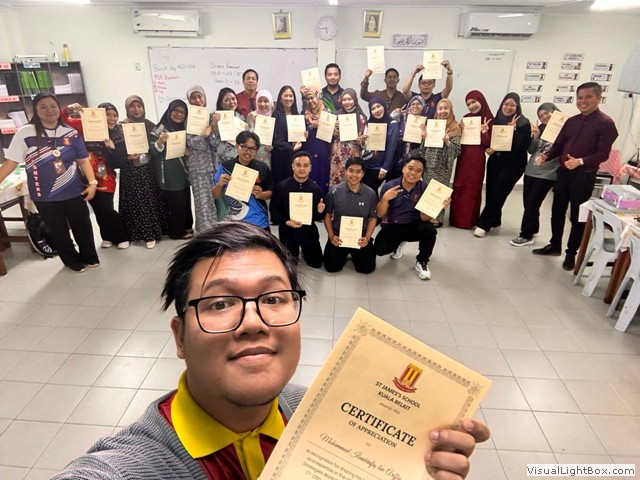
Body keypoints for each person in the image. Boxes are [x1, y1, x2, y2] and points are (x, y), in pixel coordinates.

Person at [52, 221, 490, 480]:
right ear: (180, 337)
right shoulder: (129, 466)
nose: (254, 321)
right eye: (220, 303)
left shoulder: (319, 414)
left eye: (275, 298)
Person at [0, 93, 99, 272]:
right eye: (43, 107)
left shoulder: (70, 132)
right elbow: (11, 163)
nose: (49, 110)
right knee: (58, 229)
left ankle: (90, 256)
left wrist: (92, 183)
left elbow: (83, 160)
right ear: (35, 110)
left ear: (59, 108)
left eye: (53, 106)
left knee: (82, 225)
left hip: (74, 190)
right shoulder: (25, 133)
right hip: (44, 194)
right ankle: (71, 260)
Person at [532, 82, 618, 270]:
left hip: (583, 176)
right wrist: (546, 156)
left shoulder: (606, 123)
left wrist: (580, 161)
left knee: (578, 215)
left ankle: (571, 253)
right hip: (564, 173)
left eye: (588, 97)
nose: (583, 101)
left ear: (599, 98)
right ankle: (555, 245)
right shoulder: (571, 121)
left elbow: (603, 154)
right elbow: (559, 146)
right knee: (557, 210)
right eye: (580, 97)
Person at [62, 102, 130, 249]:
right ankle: (107, 236)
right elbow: (63, 121)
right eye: (107, 115)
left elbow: (121, 160)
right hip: (86, 175)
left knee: (106, 207)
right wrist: (67, 110)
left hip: (106, 176)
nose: (112, 118)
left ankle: (122, 236)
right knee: (97, 208)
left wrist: (112, 147)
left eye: (115, 115)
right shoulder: (85, 126)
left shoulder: (118, 134)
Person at [376, 154, 450, 280]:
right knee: (380, 249)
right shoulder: (389, 186)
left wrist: (437, 207)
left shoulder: (425, 188)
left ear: (422, 173)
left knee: (429, 230)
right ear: (403, 168)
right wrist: (385, 199)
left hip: (414, 225)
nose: (413, 173)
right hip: (393, 225)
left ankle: (422, 261)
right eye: (410, 168)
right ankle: (398, 244)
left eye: (418, 171)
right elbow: (379, 214)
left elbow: (424, 218)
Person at [474, 93, 531, 238]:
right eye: (506, 104)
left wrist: (515, 131)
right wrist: (489, 148)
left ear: (517, 107)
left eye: (512, 105)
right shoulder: (495, 121)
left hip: (514, 164)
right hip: (496, 162)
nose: (508, 107)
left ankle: (483, 224)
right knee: (491, 192)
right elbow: (491, 143)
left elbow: (524, 146)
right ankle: (495, 220)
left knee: (499, 192)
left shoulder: (523, 123)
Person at [511, 103, 562, 247]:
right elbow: (531, 150)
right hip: (531, 171)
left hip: (547, 173)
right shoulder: (540, 129)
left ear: (555, 112)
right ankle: (533, 228)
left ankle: (525, 235)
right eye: (541, 116)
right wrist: (536, 136)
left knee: (533, 203)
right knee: (529, 203)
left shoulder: (564, 131)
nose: (544, 117)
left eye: (546, 113)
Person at [119, 94, 166, 249]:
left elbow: (159, 142)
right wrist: (127, 156)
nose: (136, 109)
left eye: (139, 106)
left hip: (147, 168)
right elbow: (117, 150)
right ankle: (136, 233)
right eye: (132, 106)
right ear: (127, 109)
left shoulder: (150, 125)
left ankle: (151, 233)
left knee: (150, 199)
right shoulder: (121, 126)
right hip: (131, 169)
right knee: (135, 201)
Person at [270, 151, 325, 268]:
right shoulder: (281, 187)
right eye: (298, 165)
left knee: (316, 263)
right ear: (292, 166)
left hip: (308, 231)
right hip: (288, 231)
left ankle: (306, 251)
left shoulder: (315, 189)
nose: (302, 169)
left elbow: (318, 217)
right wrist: (286, 222)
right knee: (290, 265)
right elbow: (274, 212)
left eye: (305, 165)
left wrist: (320, 211)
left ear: (310, 168)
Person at [323, 157, 377, 274]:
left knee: (367, 269)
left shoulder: (371, 194)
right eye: (351, 171)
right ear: (345, 171)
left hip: (360, 238)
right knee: (331, 267)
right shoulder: (334, 192)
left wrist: (367, 238)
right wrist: (331, 236)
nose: (354, 175)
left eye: (358, 172)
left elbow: (373, 218)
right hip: (339, 237)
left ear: (363, 174)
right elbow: (327, 215)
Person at [150, 99, 194, 240]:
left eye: (182, 112)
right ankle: (176, 232)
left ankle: (187, 226)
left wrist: (188, 150)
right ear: (169, 111)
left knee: (185, 200)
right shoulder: (160, 128)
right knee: (176, 202)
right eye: (176, 111)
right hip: (168, 171)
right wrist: (160, 142)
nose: (179, 114)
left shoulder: (185, 128)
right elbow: (152, 152)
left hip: (183, 171)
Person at [450, 90, 493, 229]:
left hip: (477, 159)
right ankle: (456, 219)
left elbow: (488, 145)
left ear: (481, 100)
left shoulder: (489, 119)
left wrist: (485, 133)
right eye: (468, 104)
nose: (471, 106)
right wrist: (459, 130)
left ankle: (469, 221)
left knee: (472, 188)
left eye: (474, 102)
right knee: (459, 185)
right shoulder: (466, 118)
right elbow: (459, 139)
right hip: (463, 157)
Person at [212, 130, 273, 229]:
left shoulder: (262, 167)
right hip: (233, 222)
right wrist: (219, 185)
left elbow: (271, 192)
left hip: (258, 221)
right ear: (237, 146)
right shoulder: (225, 167)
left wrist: (261, 194)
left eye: (252, 149)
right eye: (244, 147)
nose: (248, 152)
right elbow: (214, 195)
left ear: (257, 150)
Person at [420, 98, 461, 226]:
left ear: (451, 110)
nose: (443, 111)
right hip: (429, 164)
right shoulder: (431, 125)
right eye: (440, 108)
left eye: (446, 108)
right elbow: (423, 149)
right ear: (436, 110)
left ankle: (437, 218)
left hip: (443, 166)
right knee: (427, 190)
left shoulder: (455, 128)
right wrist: (424, 138)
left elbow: (457, 151)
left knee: (439, 191)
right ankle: (425, 216)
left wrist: (447, 142)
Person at [210, 87, 248, 220]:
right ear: (221, 102)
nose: (231, 102)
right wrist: (214, 125)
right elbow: (212, 143)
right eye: (227, 100)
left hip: (238, 162)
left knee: (238, 194)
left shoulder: (241, 118)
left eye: (233, 99)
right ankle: (224, 224)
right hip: (222, 163)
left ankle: (240, 223)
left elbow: (246, 141)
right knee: (222, 194)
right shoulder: (215, 117)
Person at [185, 85, 218, 233]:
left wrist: (213, 128)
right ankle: (205, 231)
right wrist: (203, 136)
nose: (197, 100)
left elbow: (215, 143)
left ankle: (219, 229)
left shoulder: (212, 117)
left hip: (214, 164)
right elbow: (190, 142)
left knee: (217, 198)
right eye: (193, 98)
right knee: (203, 199)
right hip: (197, 165)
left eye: (200, 96)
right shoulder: (188, 120)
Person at [329, 88, 367, 188]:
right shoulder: (335, 116)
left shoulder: (361, 118)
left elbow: (366, 143)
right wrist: (332, 130)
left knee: (353, 181)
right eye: (344, 99)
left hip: (354, 155)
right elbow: (327, 136)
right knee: (337, 182)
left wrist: (361, 142)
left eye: (349, 99)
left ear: (355, 99)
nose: (347, 102)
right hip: (338, 156)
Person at [362, 97, 399, 193]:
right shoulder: (369, 124)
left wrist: (385, 168)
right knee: (365, 190)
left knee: (369, 190)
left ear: (384, 106)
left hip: (380, 166)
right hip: (367, 164)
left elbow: (392, 147)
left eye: (378, 106)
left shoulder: (392, 124)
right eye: (373, 109)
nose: (377, 110)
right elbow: (365, 147)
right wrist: (363, 141)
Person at [301, 86, 332, 195]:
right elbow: (297, 133)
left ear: (318, 97)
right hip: (308, 151)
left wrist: (321, 126)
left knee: (323, 180)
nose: (310, 101)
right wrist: (303, 134)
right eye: (307, 99)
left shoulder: (327, 113)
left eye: (312, 98)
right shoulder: (303, 114)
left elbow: (333, 135)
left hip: (323, 152)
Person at [271, 85, 303, 186]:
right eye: (285, 96)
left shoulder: (297, 115)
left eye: (291, 96)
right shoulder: (276, 115)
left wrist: (303, 136)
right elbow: (276, 140)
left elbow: (298, 136)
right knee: (282, 186)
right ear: (280, 98)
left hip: (294, 157)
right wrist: (292, 148)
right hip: (281, 158)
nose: (288, 98)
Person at [246, 89, 274, 167]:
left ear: (270, 102)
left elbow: (279, 137)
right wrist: (250, 122)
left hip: (272, 157)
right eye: (260, 101)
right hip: (254, 156)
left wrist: (272, 146)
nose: (262, 104)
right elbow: (247, 137)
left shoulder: (274, 116)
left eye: (266, 101)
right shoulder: (251, 116)